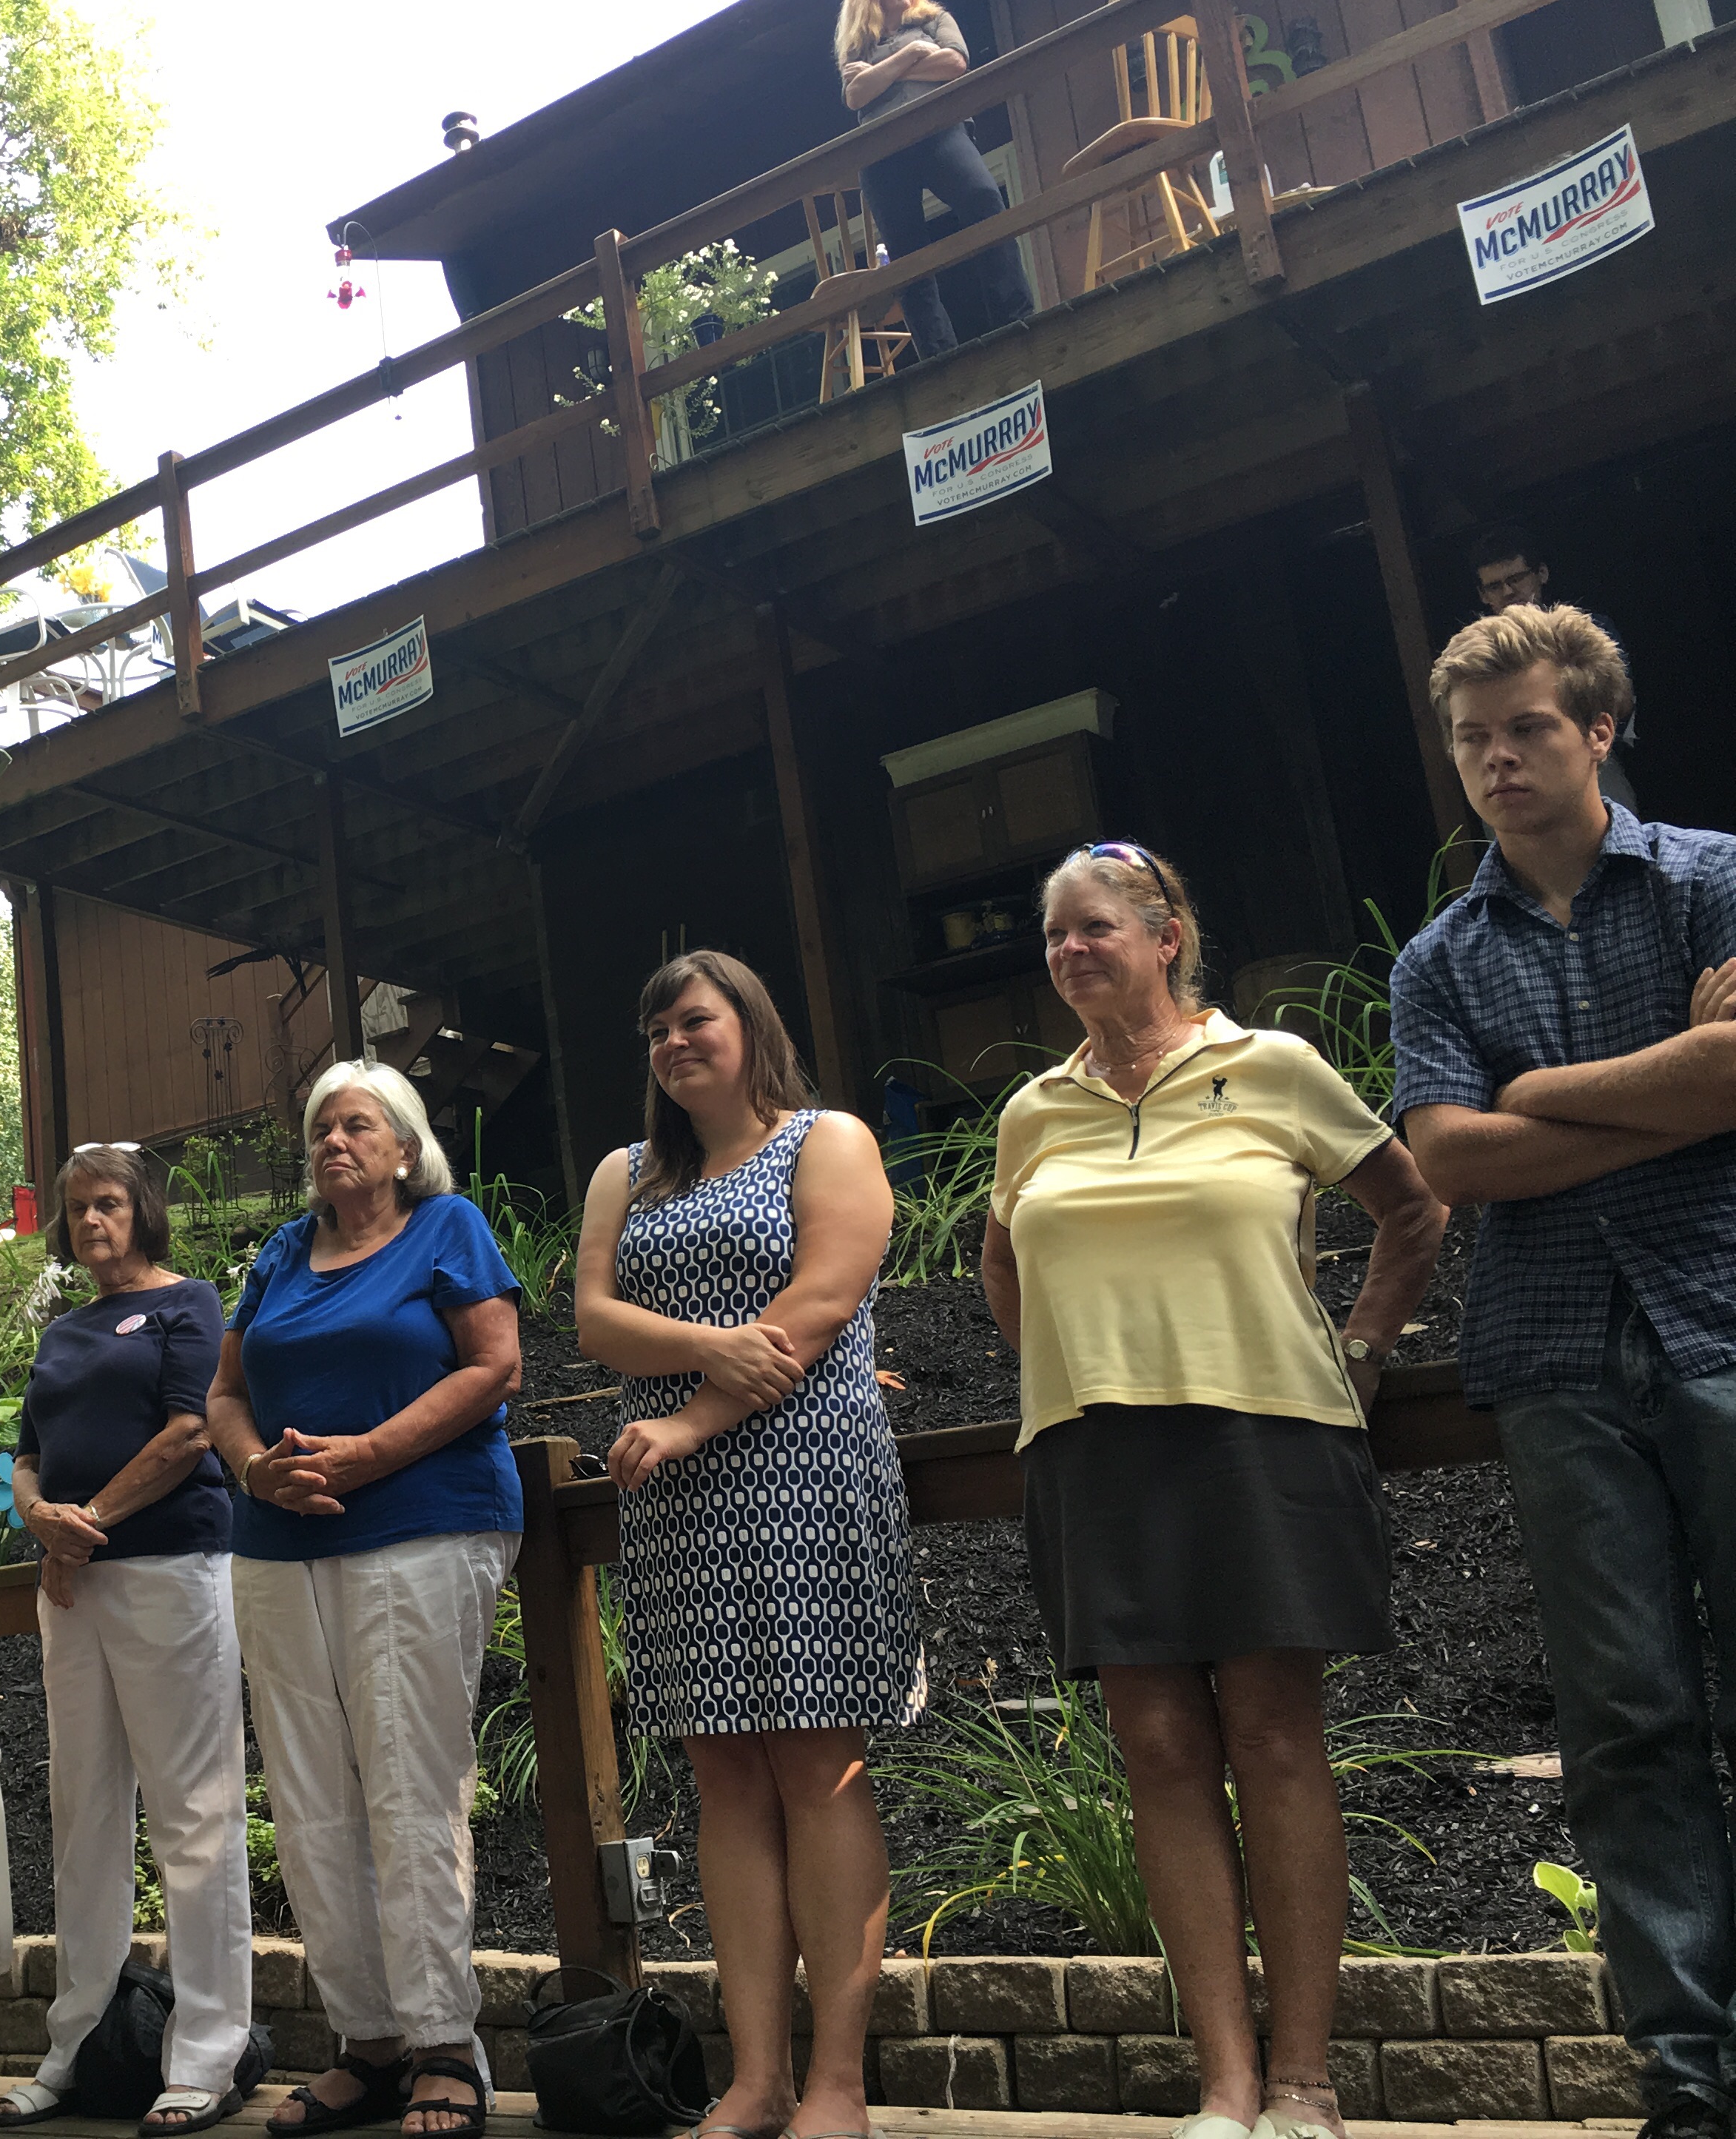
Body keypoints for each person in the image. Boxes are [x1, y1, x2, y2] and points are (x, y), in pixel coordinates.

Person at [981, 843, 1442, 2139]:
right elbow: (1002, 1261)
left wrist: (1359, 1347)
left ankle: (1304, 2079)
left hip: (1265, 1430)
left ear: (1167, 933)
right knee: (1160, 1748)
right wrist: (1063, 1357)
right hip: (1092, 1445)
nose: (1072, 948)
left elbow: (1410, 1209)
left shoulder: (1273, 1065)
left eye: (1098, 926)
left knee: (1274, 1734)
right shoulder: (1034, 1108)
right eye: (1056, 933)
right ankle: (1225, 2087)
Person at [1388, 605, 1736, 2139]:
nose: (1498, 758)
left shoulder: (1717, 880)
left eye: (1527, 727)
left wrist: (1543, 1096)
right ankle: (1688, 2072)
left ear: (1600, 729)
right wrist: (1685, 1084)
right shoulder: (1439, 960)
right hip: (1554, 1367)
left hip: (1727, 1321)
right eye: (1474, 737)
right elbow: (1448, 1154)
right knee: (1629, 1723)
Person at [572, 952, 921, 2139]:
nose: (674, 1042)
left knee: (816, 1763)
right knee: (723, 1773)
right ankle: (758, 2078)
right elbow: (596, 1320)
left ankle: (838, 2085)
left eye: (695, 1019)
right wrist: (707, 1352)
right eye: (656, 1028)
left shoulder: (826, 1141)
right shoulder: (627, 1173)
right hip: (681, 1497)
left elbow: (824, 1302)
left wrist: (691, 1407)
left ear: (748, 1024)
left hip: (806, 1470)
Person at [204, 1061, 522, 2139]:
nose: (334, 1141)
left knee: (408, 1777)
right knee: (306, 1797)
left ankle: (444, 2045)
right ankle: (368, 2042)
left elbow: (495, 1364)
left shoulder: (448, 1228)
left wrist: (367, 1456)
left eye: (357, 1125)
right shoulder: (282, 1253)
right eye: (320, 1129)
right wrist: (254, 1470)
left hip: (423, 1524)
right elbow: (226, 1392)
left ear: (402, 1146)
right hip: (275, 1544)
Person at [0, 1145, 254, 2137]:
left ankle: (208, 2052)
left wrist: (83, 1520)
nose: (92, 1222)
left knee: (194, 1814)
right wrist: (36, 1517)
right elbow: (24, 1449)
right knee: (83, 1811)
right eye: (77, 1209)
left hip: (169, 1574)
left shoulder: (189, 1304)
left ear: (142, 1209)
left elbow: (191, 1432)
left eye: (108, 1204)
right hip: (72, 1585)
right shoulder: (61, 1331)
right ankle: (78, 2046)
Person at [834, 0, 1036, 366]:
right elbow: (855, 96)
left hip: (941, 131)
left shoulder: (935, 21)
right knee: (908, 255)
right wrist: (912, 56)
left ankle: (1016, 319)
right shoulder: (857, 43)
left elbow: (955, 63)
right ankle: (937, 356)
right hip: (883, 154)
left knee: (984, 201)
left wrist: (883, 73)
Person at [1468, 527, 1637, 808]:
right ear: (1483, 595)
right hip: (1509, 771)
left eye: (1516, 578)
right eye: (1495, 586)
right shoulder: (1475, 652)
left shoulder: (1589, 630)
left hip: (1589, 760)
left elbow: (1622, 701)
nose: (1508, 591)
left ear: (1542, 574)